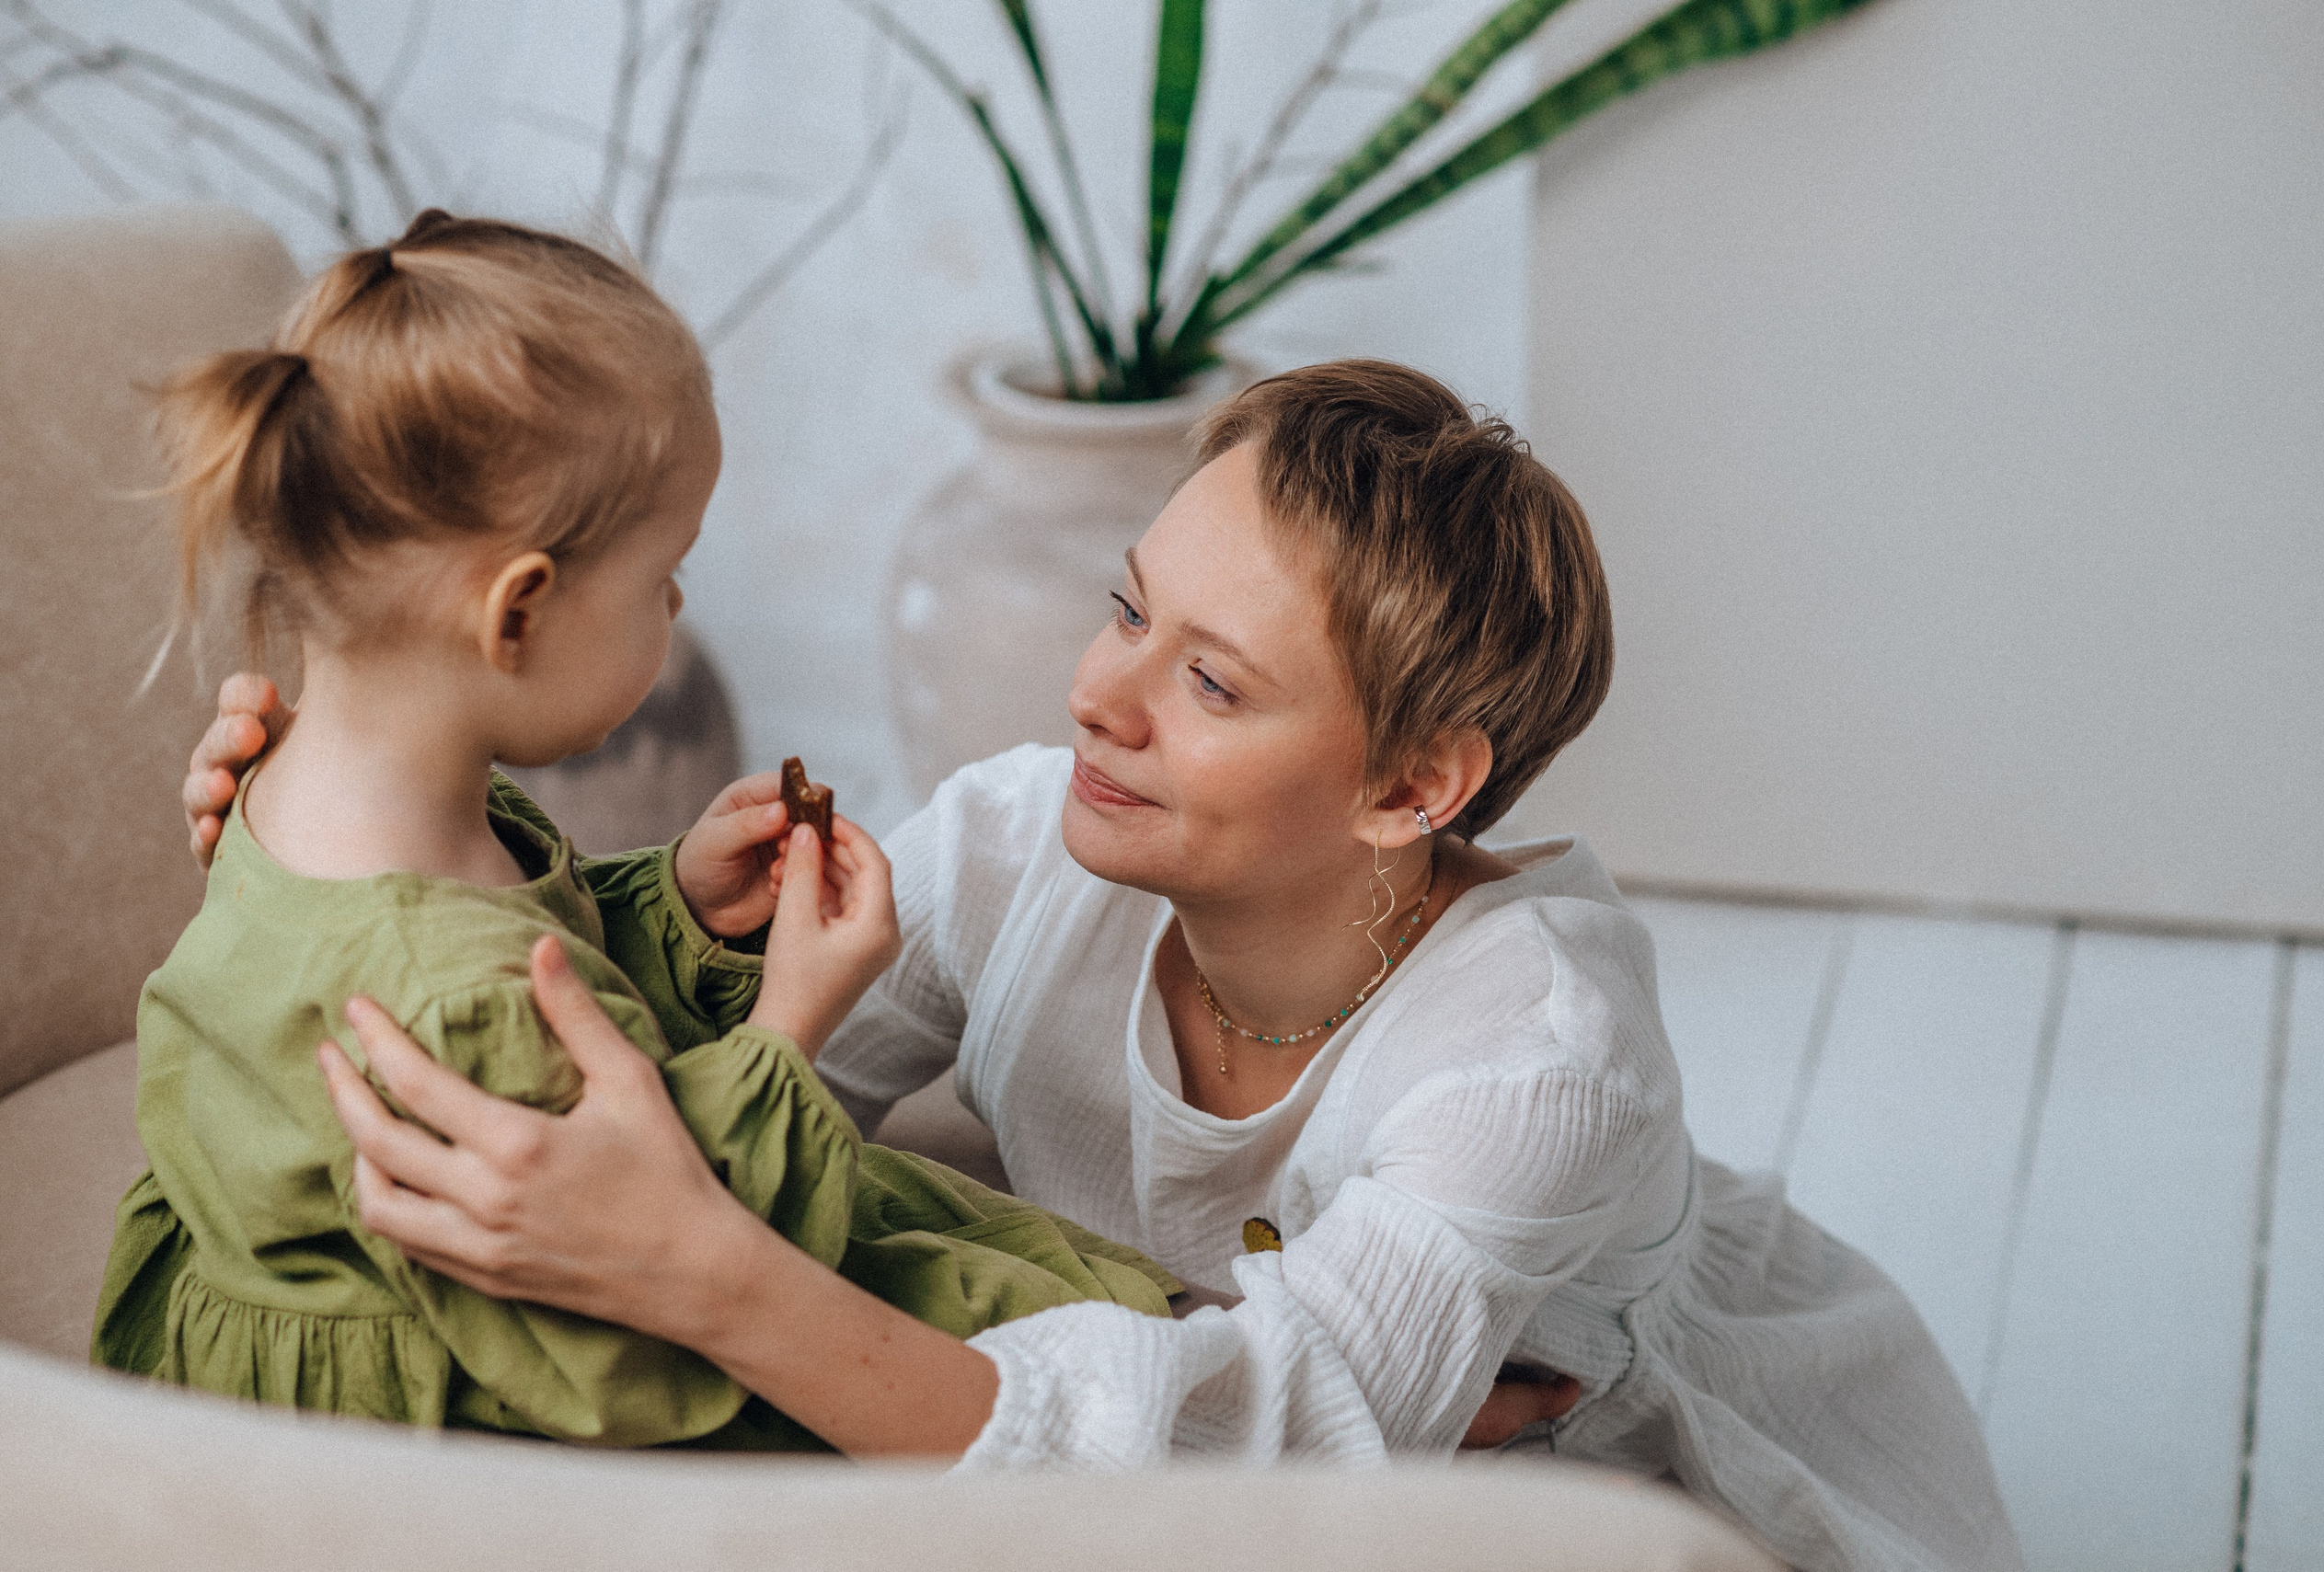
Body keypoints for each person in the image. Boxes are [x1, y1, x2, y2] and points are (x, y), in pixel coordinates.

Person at [190, 361, 2026, 1570]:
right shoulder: (1013, 846)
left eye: (1207, 681)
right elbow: (668, 1101)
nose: (1097, 692)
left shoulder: (1535, 1058)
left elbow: (1265, 1470)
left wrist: (715, 1279)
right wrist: (356, 866)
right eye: (1126, 607)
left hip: (1611, 1497)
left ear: (1409, 785)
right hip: (1189, 1436)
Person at [102, 211, 1175, 1452]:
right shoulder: (458, 999)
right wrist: (791, 1020)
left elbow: (527, 946)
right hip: (490, 1398)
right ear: (519, 612)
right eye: (664, 571)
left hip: (381, 1295)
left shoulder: (288, 779)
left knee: (951, 1231)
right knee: (987, 1305)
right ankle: (1209, 1404)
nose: (676, 602)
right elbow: (652, 1281)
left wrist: (672, 897)